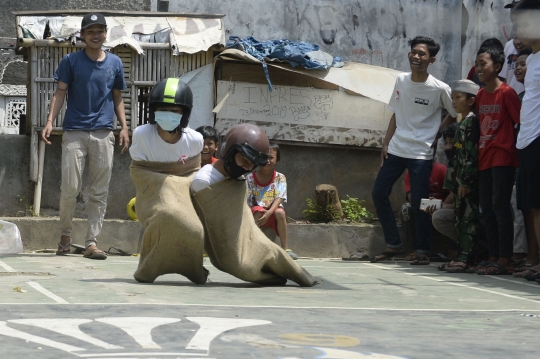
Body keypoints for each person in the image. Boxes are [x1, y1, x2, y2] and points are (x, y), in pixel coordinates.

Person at [40, 13, 129, 260]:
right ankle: (65, 236)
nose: (95, 35)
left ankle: (91, 242)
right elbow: (59, 94)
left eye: (100, 30)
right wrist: (49, 122)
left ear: (105, 33)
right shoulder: (70, 61)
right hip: (74, 133)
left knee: (99, 191)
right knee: (70, 187)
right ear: (82, 35)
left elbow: (118, 97)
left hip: (103, 133)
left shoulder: (115, 63)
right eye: (90, 31)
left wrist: (124, 127)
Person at [190, 124, 317, 287]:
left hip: (246, 237)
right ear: (229, 152)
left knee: (271, 252)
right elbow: (212, 222)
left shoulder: (238, 180)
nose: (247, 167)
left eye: (251, 165)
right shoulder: (204, 181)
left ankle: (296, 273)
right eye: (243, 160)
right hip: (225, 249)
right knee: (245, 266)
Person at [371, 35, 458, 265]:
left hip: (421, 153)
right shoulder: (401, 80)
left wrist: (438, 130)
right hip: (397, 148)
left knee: (421, 202)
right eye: (414, 52)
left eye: (422, 54)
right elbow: (395, 113)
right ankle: (394, 243)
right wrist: (386, 142)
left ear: (432, 60)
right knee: (379, 192)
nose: (416, 57)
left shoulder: (440, 88)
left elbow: (455, 111)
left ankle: (423, 249)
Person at [129, 78, 208, 284]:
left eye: (175, 110)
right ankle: (148, 268)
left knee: (195, 227)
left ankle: (193, 268)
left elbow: (193, 176)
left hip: (185, 200)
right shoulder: (142, 135)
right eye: (162, 109)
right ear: (153, 110)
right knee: (166, 214)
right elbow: (142, 174)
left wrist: (177, 186)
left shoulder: (195, 140)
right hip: (153, 198)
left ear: (185, 114)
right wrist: (168, 184)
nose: (168, 114)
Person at [474, 38, 521, 275]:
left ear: (498, 65)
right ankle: (493, 255)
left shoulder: (507, 93)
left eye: (483, 63)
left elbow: (519, 123)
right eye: (477, 64)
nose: (479, 68)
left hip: (502, 158)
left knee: (500, 207)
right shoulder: (481, 96)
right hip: (484, 158)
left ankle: (506, 258)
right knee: (487, 208)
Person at [440, 80, 481, 273]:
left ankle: (467, 257)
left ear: (471, 100)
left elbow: (470, 155)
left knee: (468, 219)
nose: (454, 102)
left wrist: (465, 180)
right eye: (452, 98)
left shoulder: (471, 122)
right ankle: (462, 254)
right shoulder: (461, 122)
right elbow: (456, 156)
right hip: (459, 182)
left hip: (467, 182)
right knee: (460, 219)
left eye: (458, 98)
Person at [513, 0, 540, 283]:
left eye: (524, 23)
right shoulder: (532, 59)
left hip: (538, 137)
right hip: (528, 139)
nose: (519, 30)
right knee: (532, 205)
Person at [246, 144, 297, 260]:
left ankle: (285, 249)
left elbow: (280, 198)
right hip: (257, 210)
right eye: (264, 157)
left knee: (281, 213)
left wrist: (269, 213)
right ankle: (254, 247)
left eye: (271, 157)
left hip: (273, 211)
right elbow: (248, 201)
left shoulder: (280, 177)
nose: (267, 161)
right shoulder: (250, 178)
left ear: (277, 160)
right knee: (257, 212)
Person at [399, 160, 448, 259]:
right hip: (421, 206)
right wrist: (424, 204)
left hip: (442, 205)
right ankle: (416, 249)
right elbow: (410, 197)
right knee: (406, 209)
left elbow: (452, 193)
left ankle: (452, 249)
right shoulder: (410, 174)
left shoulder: (441, 169)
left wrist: (441, 204)